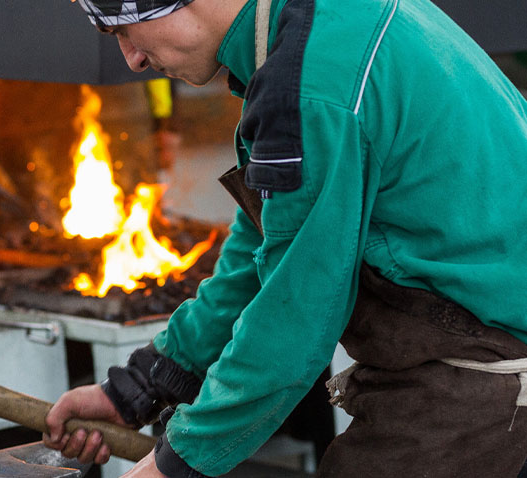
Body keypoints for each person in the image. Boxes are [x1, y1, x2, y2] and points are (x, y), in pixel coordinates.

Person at [42, 0, 527, 476]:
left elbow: (296, 317)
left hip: (485, 376)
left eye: (126, 29)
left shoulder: (312, 83)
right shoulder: (307, 27)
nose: (133, 57)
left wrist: (178, 462)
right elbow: (265, 246)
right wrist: (143, 385)